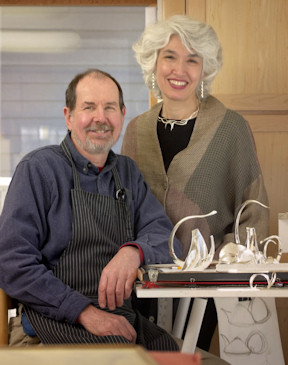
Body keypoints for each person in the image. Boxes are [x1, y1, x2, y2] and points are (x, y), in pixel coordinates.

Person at [0, 69, 184, 350]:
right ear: (68, 116)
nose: (100, 118)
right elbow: (11, 263)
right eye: (89, 107)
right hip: (49, 330)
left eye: (109, 107)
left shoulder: (128, 173)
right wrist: (84, 312)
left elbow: (168, 240)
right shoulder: (38, 169)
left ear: (122, 115)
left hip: (122, 326)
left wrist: (133, 252)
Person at [121, 15, 269, 351]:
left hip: (205, 288)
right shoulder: (135, 131)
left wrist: (236, 269)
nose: (179, 69)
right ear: (154, 63)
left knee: (187, 356)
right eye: (170, 57)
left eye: (192, 59)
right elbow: (122, 209)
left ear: (205, 69)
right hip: (143, 283)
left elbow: (253, 210)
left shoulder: (231, 128)